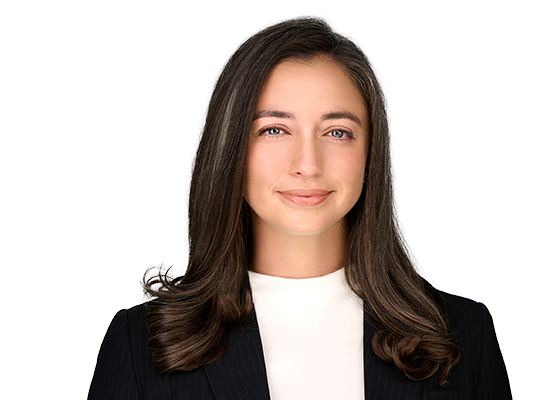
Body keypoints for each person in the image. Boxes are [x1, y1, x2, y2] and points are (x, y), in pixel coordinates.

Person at [88, 16, 512, 400]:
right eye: (274, 130)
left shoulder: (463, 333)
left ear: (371, 153)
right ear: (230, 147)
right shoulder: (141, 345)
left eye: (337, 132)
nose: (308, 164)